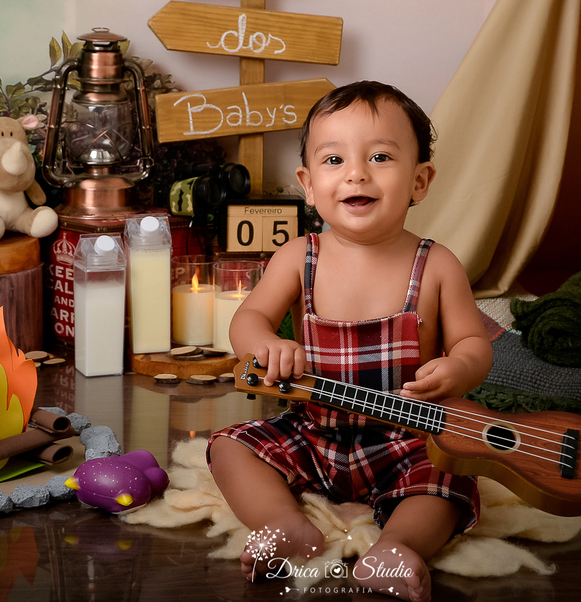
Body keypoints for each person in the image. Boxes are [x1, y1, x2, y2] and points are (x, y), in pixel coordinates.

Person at [208, 81, 493, 602]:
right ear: (309, 184)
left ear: (420, 180)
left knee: (453, 476)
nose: (356, 173)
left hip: (407, 440)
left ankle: (399, 546)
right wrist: (265, 343)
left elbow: (475, 341)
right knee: (229, 447)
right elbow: (248, 319)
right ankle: (283, 522)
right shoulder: (299, 256)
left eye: (380, 156)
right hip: (314, 433)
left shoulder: (436, 265)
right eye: (334, 159)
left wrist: (459, 369)